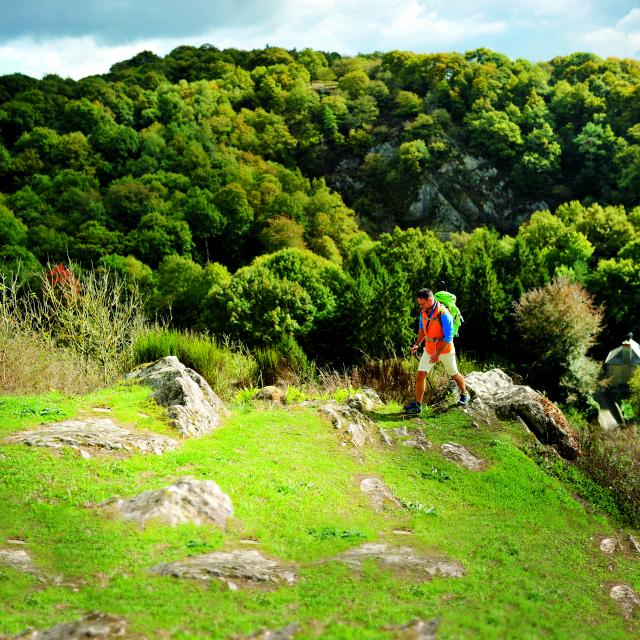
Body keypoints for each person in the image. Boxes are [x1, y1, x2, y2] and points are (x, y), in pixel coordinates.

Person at [403, 288, 469, 415]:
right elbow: (422, 329)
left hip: (445, 351)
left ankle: (464, 394)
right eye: (419, 304)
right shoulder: (423, 312)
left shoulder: (444, 314)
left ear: (430, 300)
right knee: (421, 375)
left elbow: (448, 337)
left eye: (422, 303)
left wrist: (437, 353)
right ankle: (418, 405)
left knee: (454, 374)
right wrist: (417, 344)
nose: (420, 306)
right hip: (429, 349)